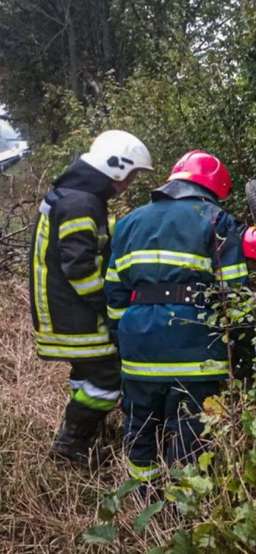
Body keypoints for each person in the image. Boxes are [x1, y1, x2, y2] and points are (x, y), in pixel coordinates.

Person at [105, 150, 256, 483]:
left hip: (138, 349)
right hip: (195, 349)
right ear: (214, 189)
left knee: (141, 432)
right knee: (191, 439)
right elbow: (234, 298)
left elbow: (115, 293)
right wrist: (242, 357)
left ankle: (143, 506)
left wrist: (123, 340)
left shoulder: (128, 222)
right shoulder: (217, 221)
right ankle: (184, 512)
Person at [29, 130, 153, 464]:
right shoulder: (80, 204)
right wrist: (110, 306)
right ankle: (71, 445)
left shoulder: (74, 196)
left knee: (87, 374)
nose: (128, 184)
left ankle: (87, 433)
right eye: (131, 176)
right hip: (73, 314)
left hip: (64, 312)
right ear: (115, 168)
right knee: (108, 376)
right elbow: (79, 269)